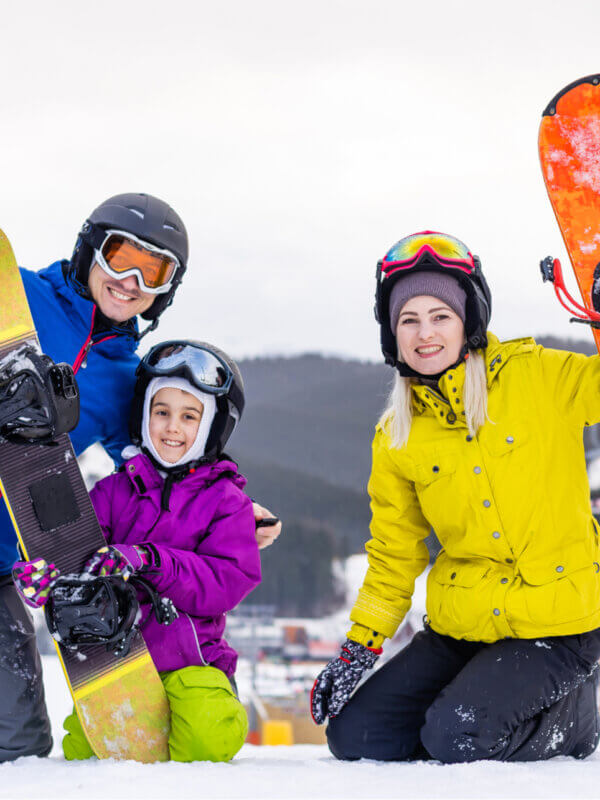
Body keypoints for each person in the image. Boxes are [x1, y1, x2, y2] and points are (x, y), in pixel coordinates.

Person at [0, 194, 281, 761]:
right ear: (89, 252)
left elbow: (160, 458)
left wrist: (233, 505)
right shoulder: (22, 297)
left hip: (4, 567)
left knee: (20, 746)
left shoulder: (129, 378)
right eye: (121, 256)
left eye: (152, 271)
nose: (130, 280)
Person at [311, 231, 600, 763]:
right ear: (391, 334)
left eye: (440, 315)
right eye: (409, 320)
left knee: (455, 737)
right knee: (356, 737)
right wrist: (359, 647)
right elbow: (395, 554)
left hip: (559, 628)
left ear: (469, 318)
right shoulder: (397, 434)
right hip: (464, 627)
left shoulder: (536, 376)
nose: (425, 334)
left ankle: (576, 716)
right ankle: (488, 700)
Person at [14, 339, 261, 762]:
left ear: (212, 426)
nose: (171, 428)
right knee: (83, 751)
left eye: (189, 416)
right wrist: (47, 579)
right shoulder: (115, 490)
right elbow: (77, 552)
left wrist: (150, 560)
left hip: (192, 665)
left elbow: (228, 581)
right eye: (161, 412)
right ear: (143, 415)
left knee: (206, 737)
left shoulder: (225, 500)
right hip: (115, 664)